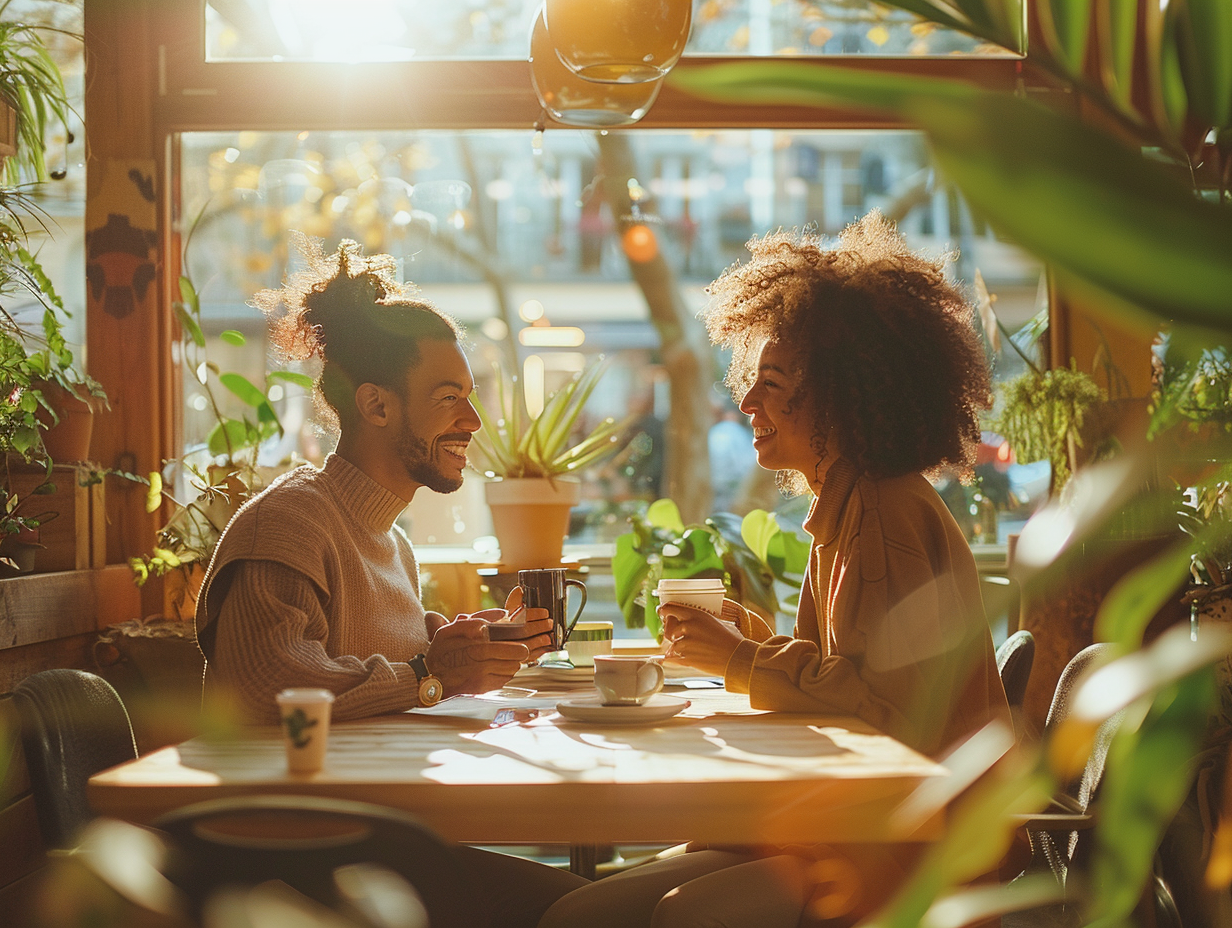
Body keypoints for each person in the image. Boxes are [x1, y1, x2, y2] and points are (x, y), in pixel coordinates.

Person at [538, 212, 1011, 928]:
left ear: (843, 395)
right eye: (750, 382)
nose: (748, 402)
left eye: (773, 383)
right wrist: (749, 639)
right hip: (858, 825)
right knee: (584, 912)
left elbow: (890, 717)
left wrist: (743, 659)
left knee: (663, 915)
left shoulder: (882, 511)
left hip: (913, 849)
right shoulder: (854, 502)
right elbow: (853, 677)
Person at [195, 237, 589, 928]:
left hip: (383, 841)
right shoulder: (287, 524)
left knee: (596, 900)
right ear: (376, 407)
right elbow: (264, 690)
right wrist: (429, 673)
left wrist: (470, 643)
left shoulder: (388, 537)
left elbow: (387, 646)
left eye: (468, 398)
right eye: (449, 399)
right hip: (304, 871)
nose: (472, 421)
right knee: (593, 910)